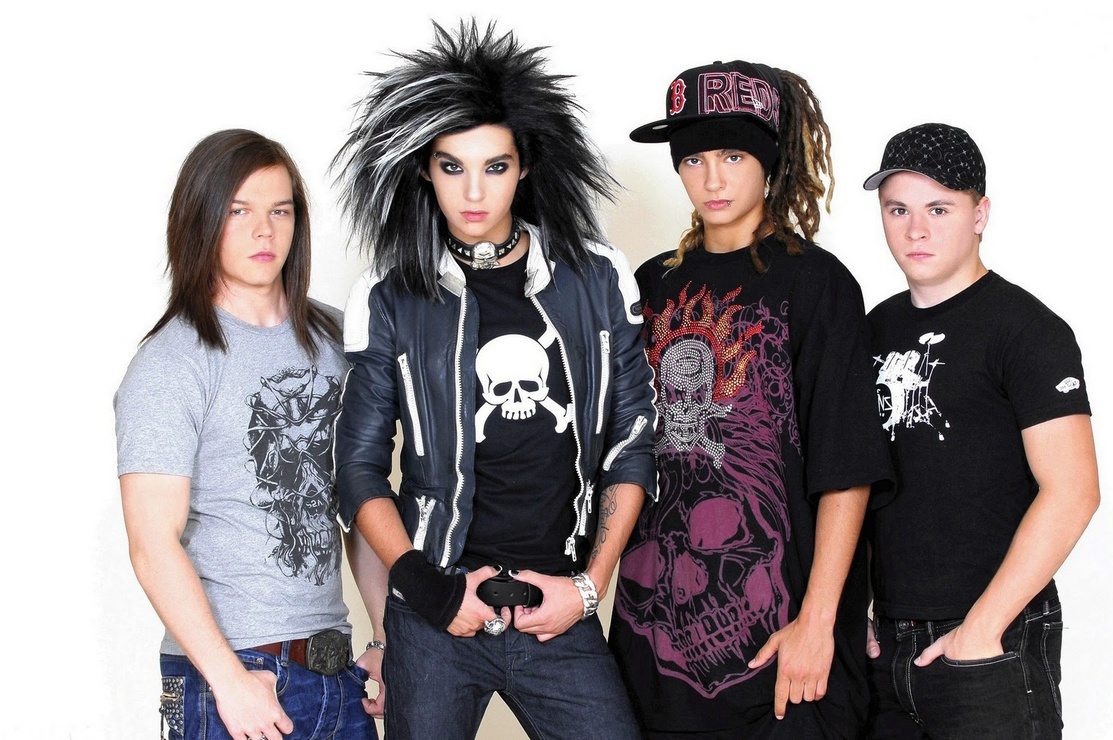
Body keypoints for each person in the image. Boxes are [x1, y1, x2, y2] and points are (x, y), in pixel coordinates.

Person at [331, 20, 657, 739]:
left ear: (526, 166)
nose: (474, 192)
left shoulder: (597, 279)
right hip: (436, 614)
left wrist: (588, 588)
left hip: (557, 612)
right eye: (452, 167)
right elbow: (356, 468)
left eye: (496, 167)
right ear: (424, 169)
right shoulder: (389, 296)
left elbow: (631, 443)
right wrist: (427, 588)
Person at [609, 61, 894, 739]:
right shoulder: (649, 286)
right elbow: (612, 450)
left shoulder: (817, 284)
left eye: (733, 157)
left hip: (785, 651)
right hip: (657, 650)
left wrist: (819, 622)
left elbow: (847, 469)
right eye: (694, 159)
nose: (712, 179)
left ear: (768, 161)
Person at [114, 129, 384, 740]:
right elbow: (152, 542)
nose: (264, 231)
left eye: (280, 211)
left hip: (338, 672)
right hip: (232, 674)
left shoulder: (338, 339)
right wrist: (228, 680)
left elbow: (360, 503)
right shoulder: (171, 362)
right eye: (239, 211)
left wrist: (385, 638)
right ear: (201, 220)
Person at [861, 122, 1100, 739]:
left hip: (992, 642)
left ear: (980, 214)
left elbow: (1074, 490)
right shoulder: (873, 329)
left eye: (939, 209)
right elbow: (863, 482)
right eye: (898, 209)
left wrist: (983, 629)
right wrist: (861, 603)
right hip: (886, 646)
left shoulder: (1027, 329)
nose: (916, 230)